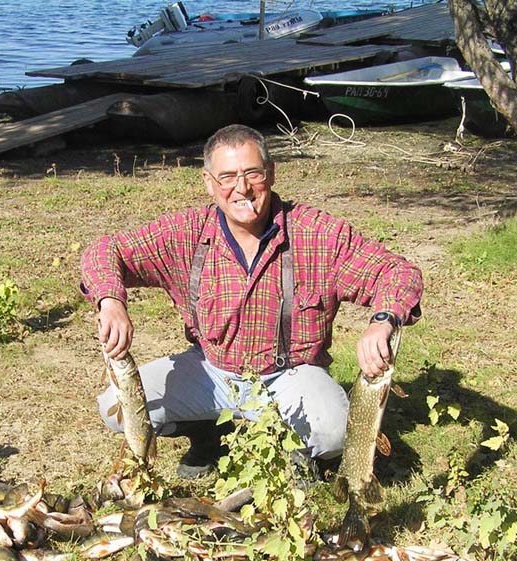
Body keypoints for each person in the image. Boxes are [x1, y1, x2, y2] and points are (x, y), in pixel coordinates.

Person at [80, 124, 422, 479]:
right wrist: (110, 300)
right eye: (227, 176)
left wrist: (383, 319)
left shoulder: (317, 233)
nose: (241, 188)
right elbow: (105, 250)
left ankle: (298, 452)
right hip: (211, 372)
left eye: (252, 174)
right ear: (208, 183)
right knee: (115, 406)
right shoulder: (186, 232)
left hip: (290, 375)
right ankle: (210, 436)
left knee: (335, 432)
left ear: (271, 173)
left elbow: (398, 272)